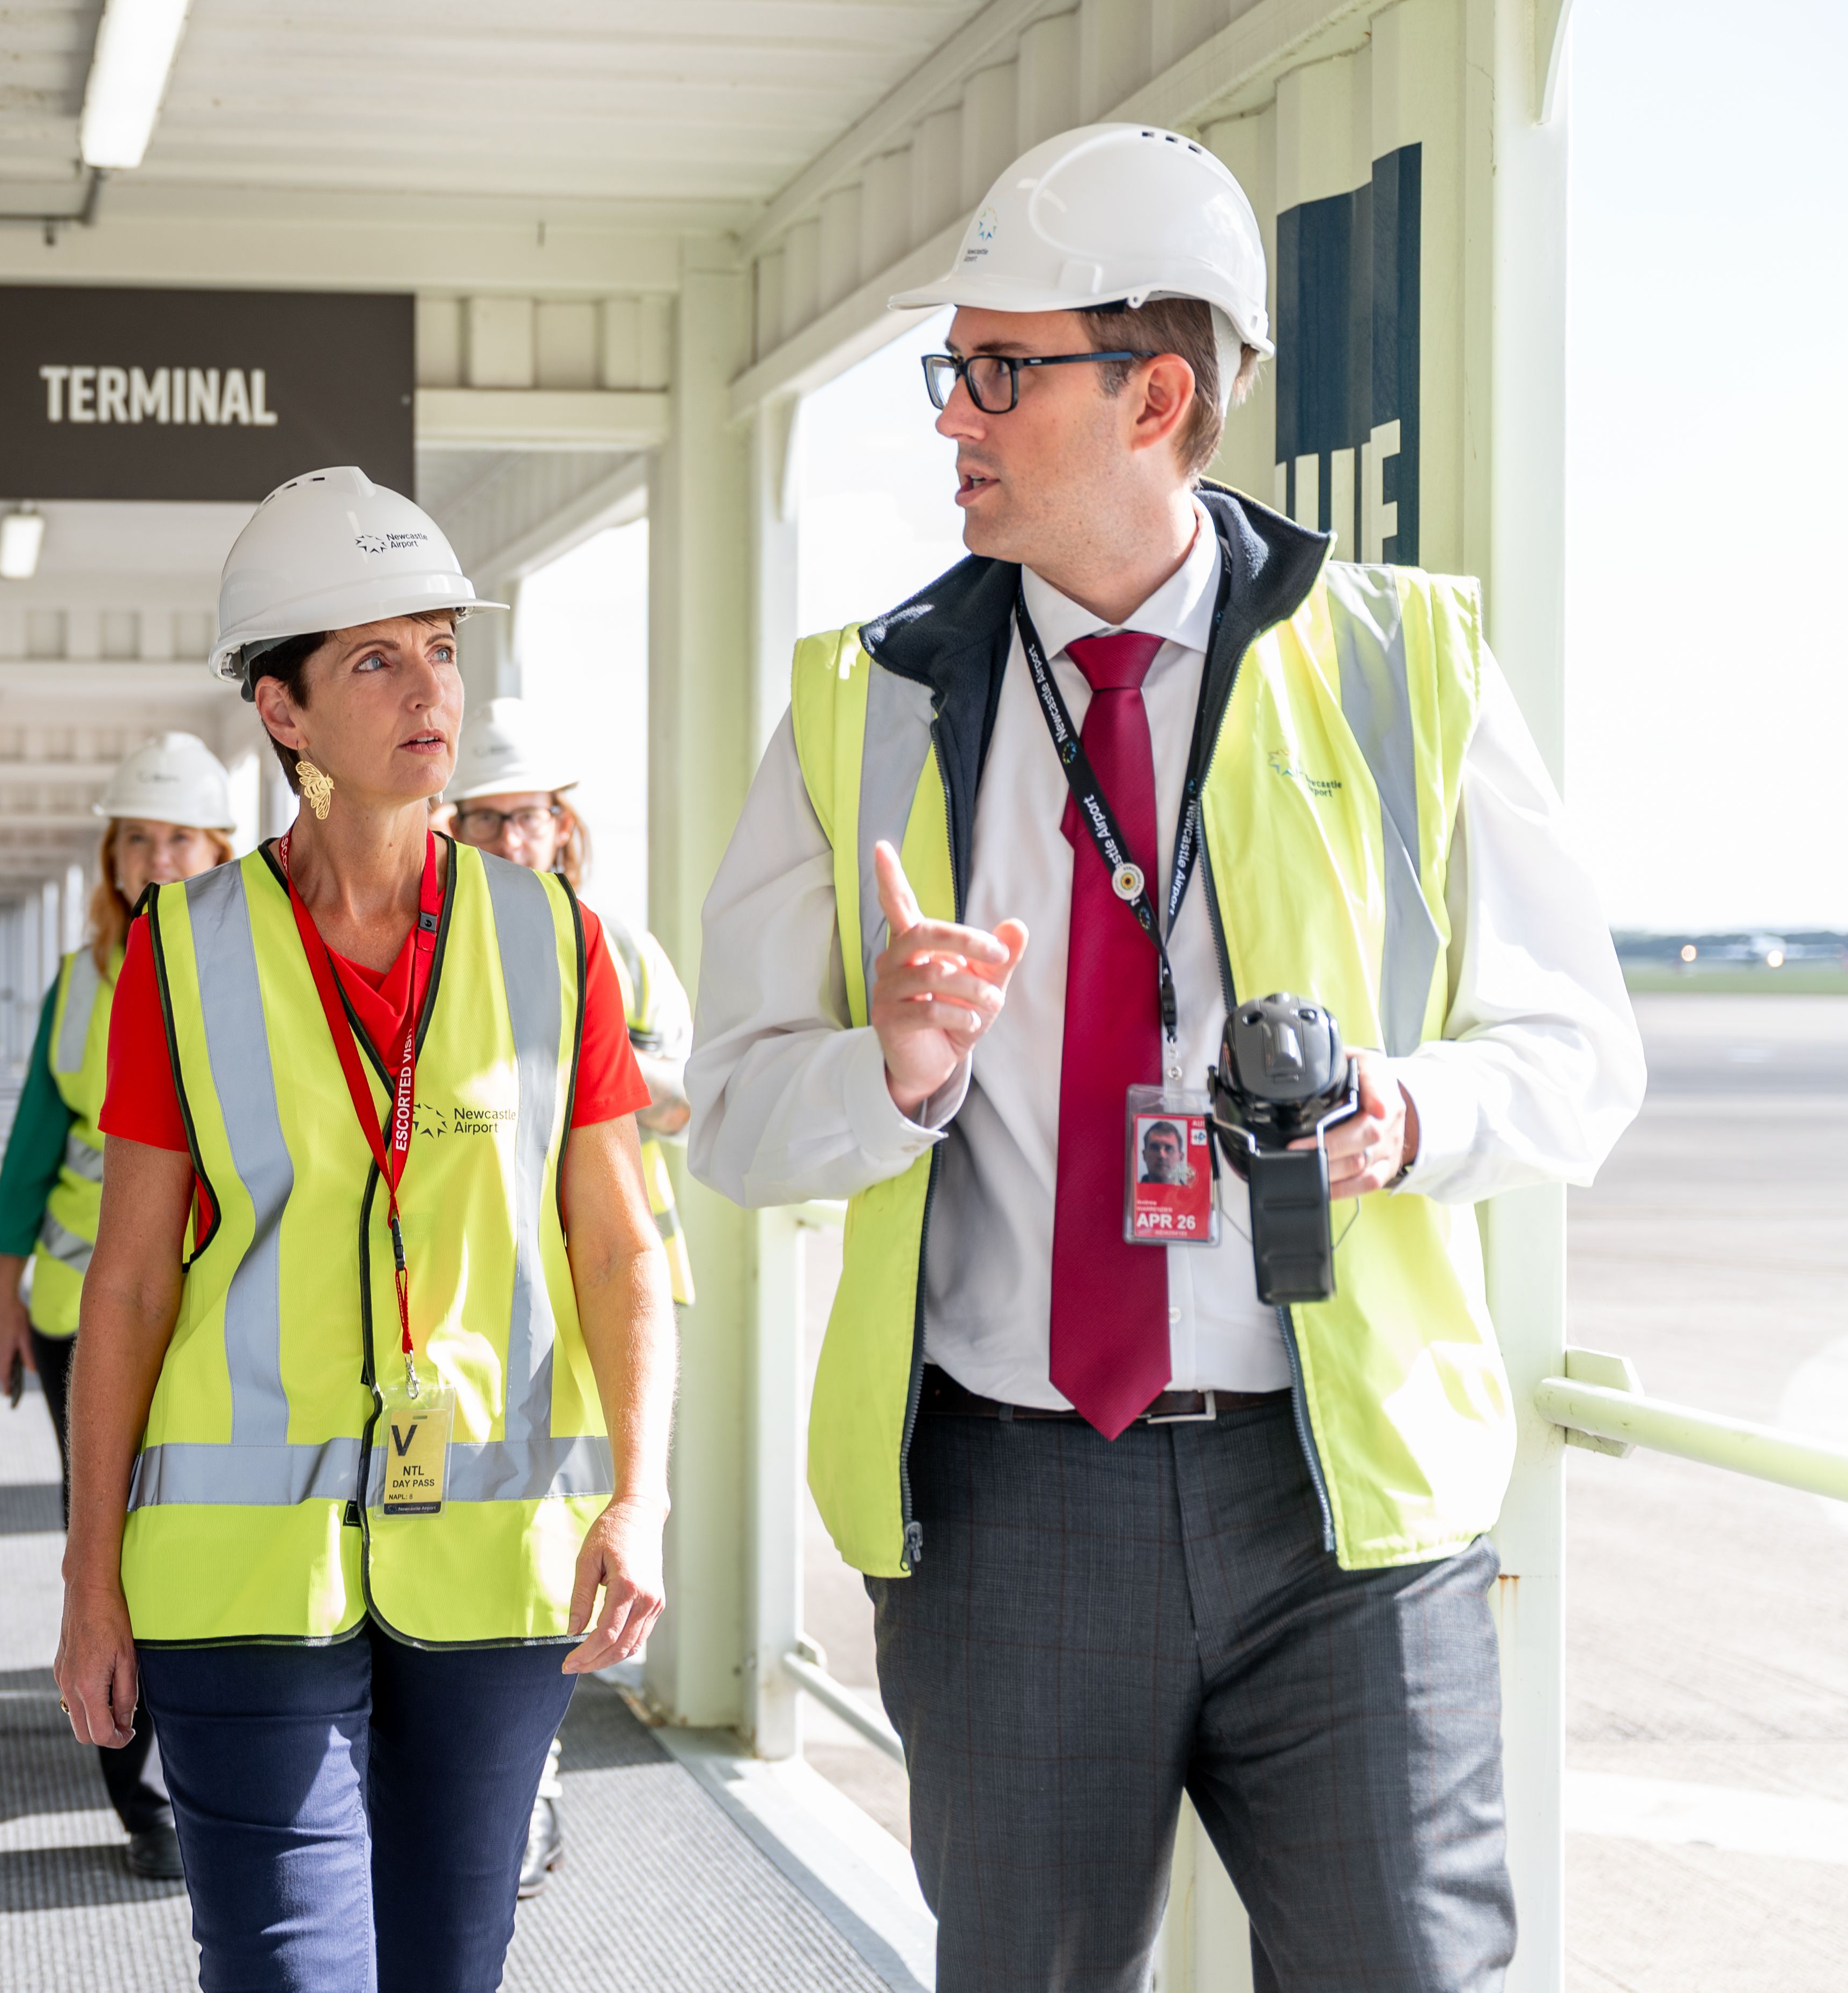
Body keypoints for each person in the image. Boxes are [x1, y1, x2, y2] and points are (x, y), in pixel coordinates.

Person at [686, 122, 1643, 1986]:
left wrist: (1401, 1114)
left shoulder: (1406, 665)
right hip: (1006, 1511)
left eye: (998, 370)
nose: (949, 413)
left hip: (1343, 1511)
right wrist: (890, 1069)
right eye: (950, 367)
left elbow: (1574, 1052)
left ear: (1155, 395)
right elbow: (729, 1111)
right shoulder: (857, 703)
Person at [54, 466, 678, 1992]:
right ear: (280, 708)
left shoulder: (555, 938)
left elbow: (615, 1245)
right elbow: (125, 1285)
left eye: (441, 649)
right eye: (376, 658)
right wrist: (86, 1576)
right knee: (285, 1969)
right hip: (234, 1566)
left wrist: (640, 1495)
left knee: (449, 1965)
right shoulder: (180, 953)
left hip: (495, 1555)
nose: (429, 690)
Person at [440, 693, 700, 1900]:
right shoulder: (435, 943)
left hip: (609, 1293)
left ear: (562, 825)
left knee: (588, 1536)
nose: (509, 839)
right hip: (487, 1294)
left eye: (527, 816)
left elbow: (687, 1094)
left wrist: (583, 1051)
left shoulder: (617, 947)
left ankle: (529, 1784)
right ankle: (498, 1779)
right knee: (507, 1538)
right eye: (486, 818)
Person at [0, 729, 238, 1884]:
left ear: (220, 848)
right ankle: (146, 1795)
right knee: (103, 1531)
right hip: (81, 1307)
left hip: (219, 1310)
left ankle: (213, 1754)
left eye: (180, 837)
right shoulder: (80, 979)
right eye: (138, 838)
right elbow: (34, 1145)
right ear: (112, 856)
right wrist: (2, 1290)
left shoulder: (264, 963)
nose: (157, 857)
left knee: (200, 1532)